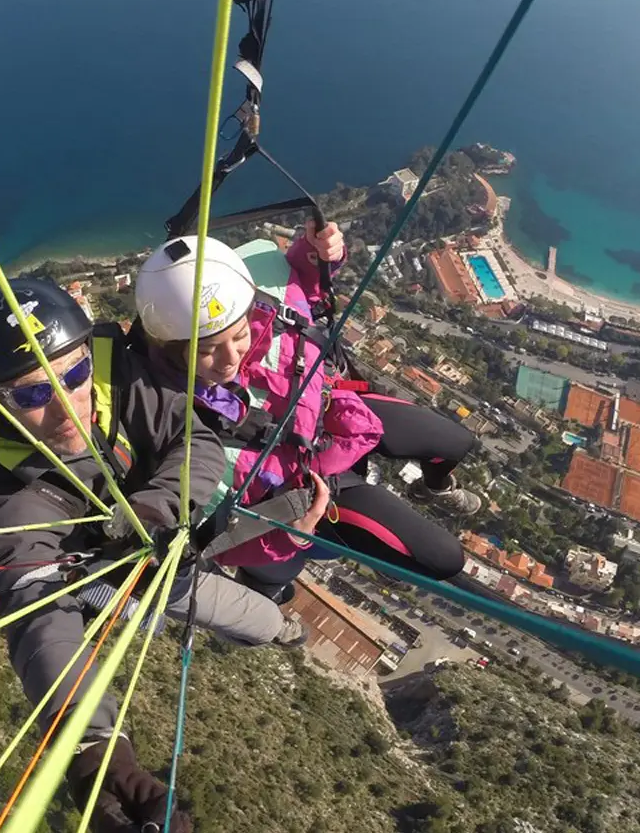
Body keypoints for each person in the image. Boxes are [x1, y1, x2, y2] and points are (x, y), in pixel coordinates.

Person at [0, 277, 306, 833]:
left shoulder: (119, 377)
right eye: (35, 394)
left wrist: (157, 509)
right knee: (255, 618)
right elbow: (37, 616)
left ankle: (279, 625)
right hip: (102, 568)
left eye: (73, 376)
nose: (66, 406)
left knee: (255, 613)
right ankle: (277, 626)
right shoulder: (8, 500)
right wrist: (96, 755)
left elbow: (195, 438)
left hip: (159, 538)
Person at [132, 224, 482, 601]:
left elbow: (300, 283)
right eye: (207, 350)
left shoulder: (261, 304)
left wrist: (319, 251)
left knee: (456, 443)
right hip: (303, 494)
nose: (229, 359)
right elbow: (208, 539)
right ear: (174, 349)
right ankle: (273, 583)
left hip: (336, 413)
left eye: (238, 336)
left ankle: (436, 488)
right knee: (444, 559)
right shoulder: (169, 419)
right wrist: (291, 531)